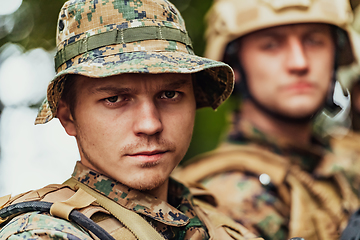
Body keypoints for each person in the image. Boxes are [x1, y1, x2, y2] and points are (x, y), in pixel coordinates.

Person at [0, 0, 262, 239]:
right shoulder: (44, 233)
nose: (150, 125)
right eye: (114, 99)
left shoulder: (228, 229)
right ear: (69, 117)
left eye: (169, 94)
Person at [174, 0, 360, 239]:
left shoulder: (344, 159)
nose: (299, 63)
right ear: (235, 66)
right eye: (271, 45)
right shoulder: (227, 198)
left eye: (314, 41)